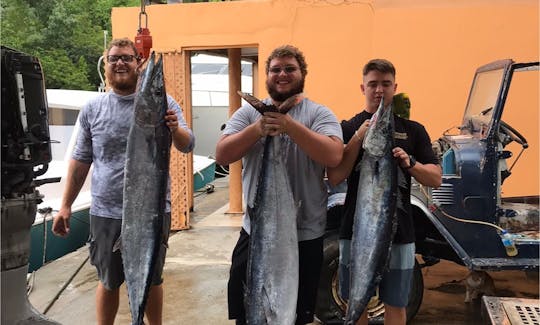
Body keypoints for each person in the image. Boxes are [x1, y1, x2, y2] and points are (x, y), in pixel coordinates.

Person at [51, 38, 194, 325]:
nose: (120, 63)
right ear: (106, 64)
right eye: (114, 58)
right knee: (108, 280)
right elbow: (80, 160)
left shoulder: (165, 104)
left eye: (127, 58)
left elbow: (188, 144)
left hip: (152, 209)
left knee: (153, 278)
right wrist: (65, 205)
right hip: (106, 210)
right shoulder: (93, 108)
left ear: (137, 64)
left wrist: (175, 129)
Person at [215, 45, 344, 325]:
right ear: (267, 75)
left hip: (306, 235)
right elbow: (222, 155)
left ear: (302, 74)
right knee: (249, 312)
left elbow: (334, 155)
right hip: (256, 233)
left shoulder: (319, 114)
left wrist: (288, 126)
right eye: (275, 69)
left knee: (295, 315)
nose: (282, 74)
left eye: (289, 69)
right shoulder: (248, 114)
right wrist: (258, 129)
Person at [327, 59, 441, 325]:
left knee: (396, 303)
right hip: (354, 232)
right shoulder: (347, 127)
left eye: (386, 84)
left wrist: (410, 163)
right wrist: (357, 137)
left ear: (395, 86)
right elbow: (335, 176)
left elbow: (436, 178)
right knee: (356, 301)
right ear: (362, 87)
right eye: (373, 84)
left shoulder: (414, 130)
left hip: (400, 232)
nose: (379, 90)